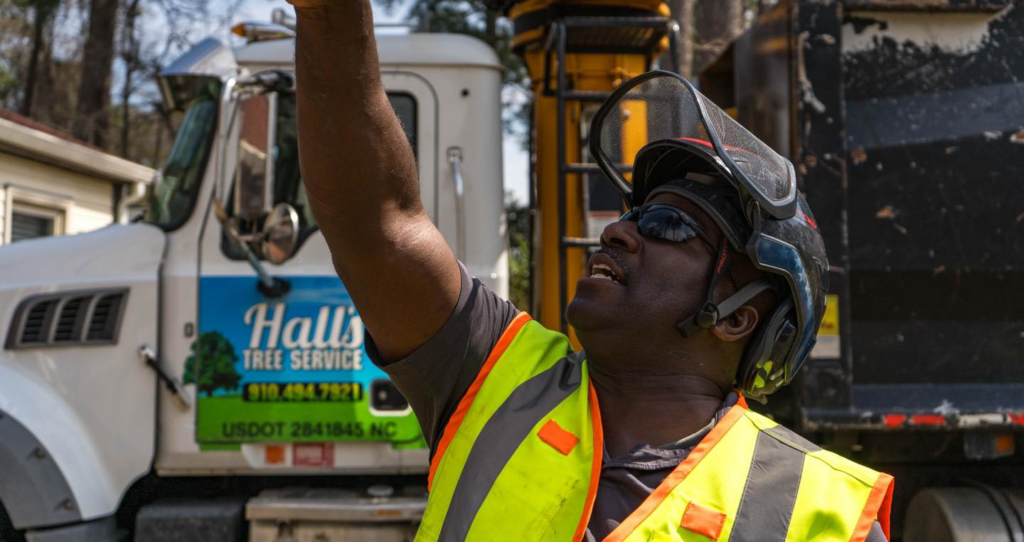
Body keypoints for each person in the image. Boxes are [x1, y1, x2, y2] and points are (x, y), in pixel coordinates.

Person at [286, 1, 894, 540]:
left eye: (668, 227)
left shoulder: (823, 515)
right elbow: (379, 224)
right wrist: (327, 15)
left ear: (738, 316)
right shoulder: (494, 380)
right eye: (638, 214)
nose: (619, 230)